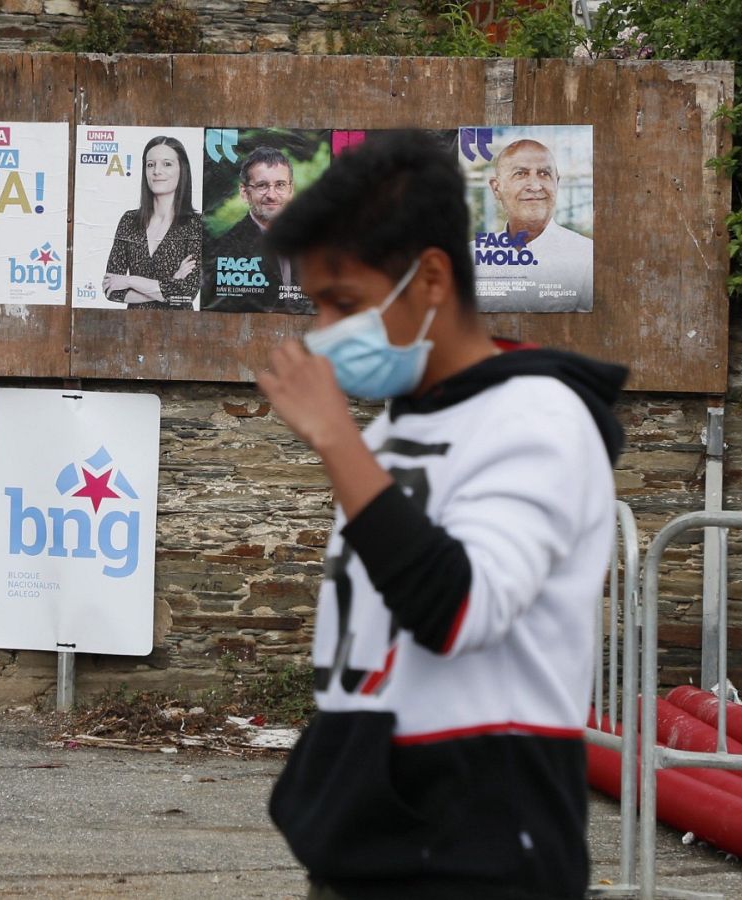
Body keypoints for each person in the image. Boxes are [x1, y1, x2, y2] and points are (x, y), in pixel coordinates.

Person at [255, 131, 625, 899]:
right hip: (370, 844)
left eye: (345, 302)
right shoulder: (395, 427)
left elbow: (459, 609)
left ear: (429, 280)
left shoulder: (539, 419)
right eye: (315, 304)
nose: (322, 333)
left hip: (479, 852)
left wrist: (334, 440)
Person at [474, 138, 594, 312]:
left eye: (544, 174)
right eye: (520, 174)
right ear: (496, 188)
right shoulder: (471, 258)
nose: (535, 186)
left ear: (557, 183)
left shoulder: (587, 257)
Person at [101, 135, 202, 310]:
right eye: (150, 164)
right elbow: (112, 290)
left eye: (167, 164)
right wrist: (170, 285)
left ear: (182, 170)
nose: (156, 171)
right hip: (133, 328)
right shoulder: (129, 221)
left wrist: (129, 280)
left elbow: (186, 292)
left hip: (179, 328)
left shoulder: (196, 225)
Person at [208, 145, 307, 314]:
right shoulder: (225, 249)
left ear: (291, 189)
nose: (272, 195)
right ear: (245, 192)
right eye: (262, 185)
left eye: (280, 185)